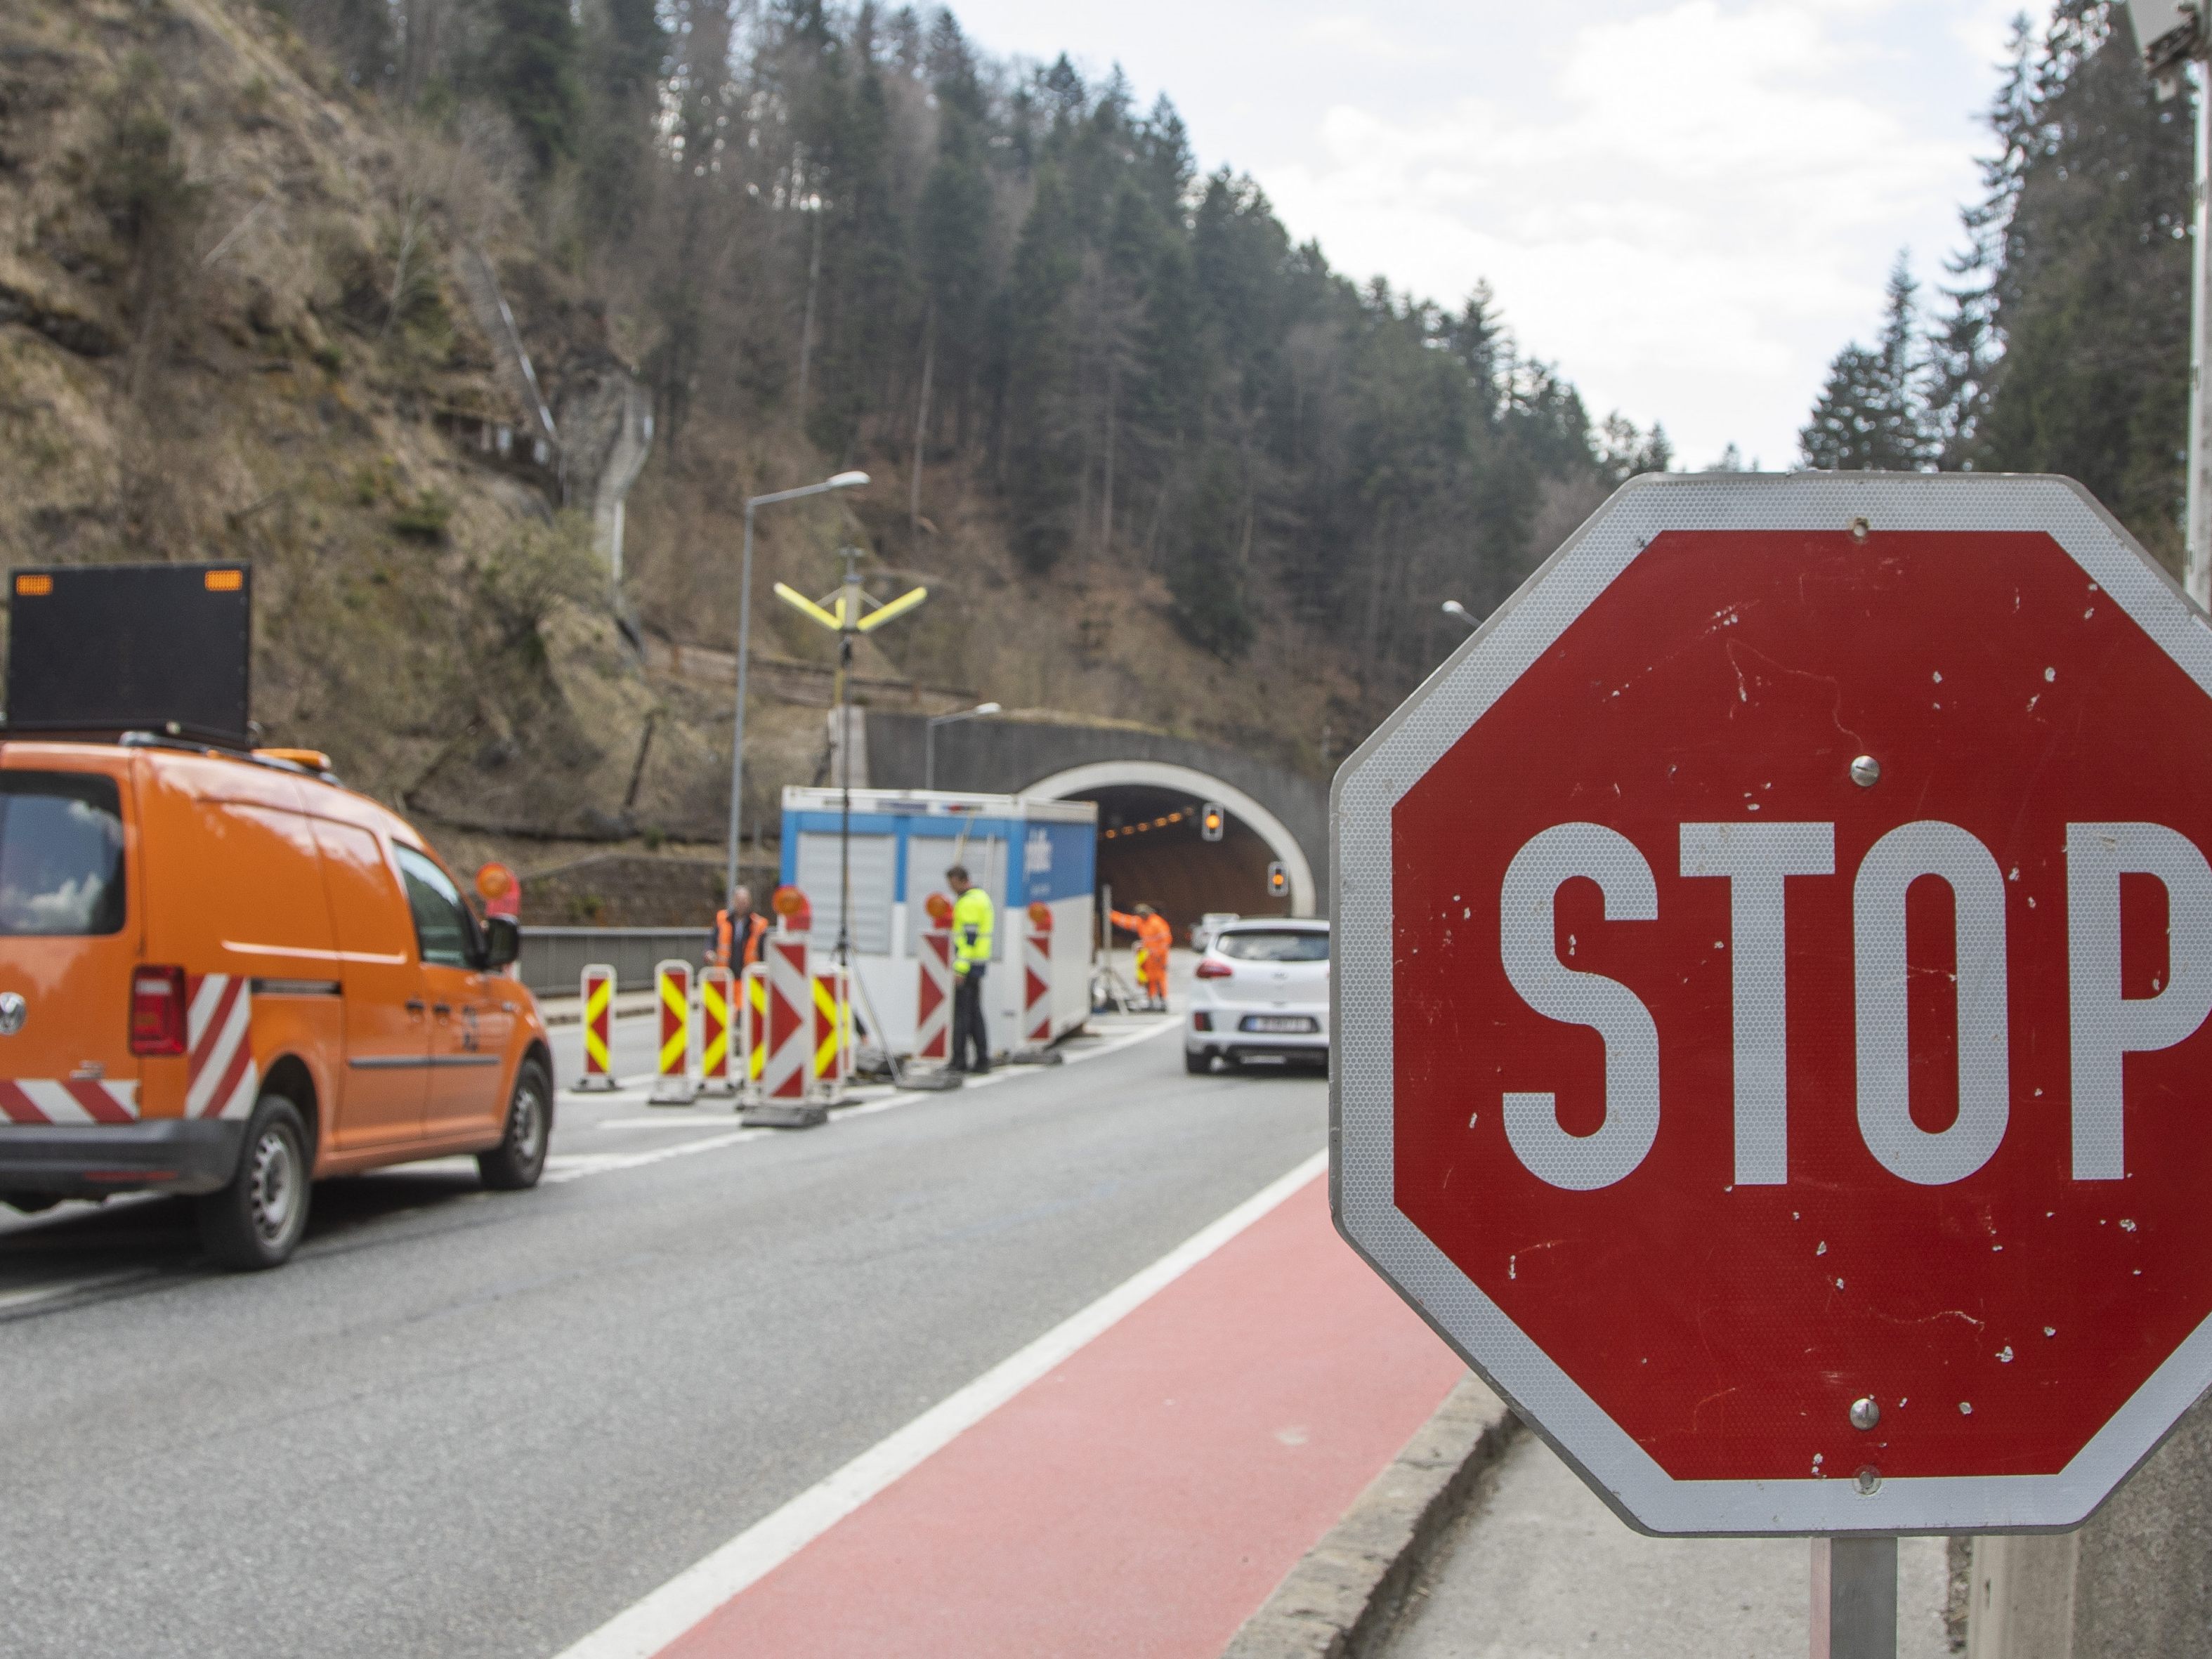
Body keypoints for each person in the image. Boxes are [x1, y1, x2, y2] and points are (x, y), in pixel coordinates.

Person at [946, 863, 995, 1073]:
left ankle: (959, 1060)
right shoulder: (981, 898)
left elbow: (969, 938)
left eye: (952, 884)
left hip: (968, 966)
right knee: (975, 1014)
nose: (951, 888)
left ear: (960, 881)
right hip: (978, 964)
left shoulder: (968, 903)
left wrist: (960, 969)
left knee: (962, 1016)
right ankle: (982, 1059)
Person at [1109, 903, 1173, 1011]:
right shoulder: (1141, 922)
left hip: (1158, 958)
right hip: (1148, 956)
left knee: (1159, 980)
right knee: (1148, 979)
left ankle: (1162, 1002)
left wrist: (1159, 954)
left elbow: (1166, 941)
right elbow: (1126, 921)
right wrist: (1112, 915)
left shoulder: (1157, 923)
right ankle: (1151, 1001)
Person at [709, 884, 768, 971]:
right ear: (733, 901)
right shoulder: (722, 919)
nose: (741, 904)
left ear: (749, 902)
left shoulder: (758, 924)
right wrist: (709, 952)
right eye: (739, 901)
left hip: (749, 977)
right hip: (725, 975)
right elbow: (712, 940)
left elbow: (764, 951)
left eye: (744, 901)